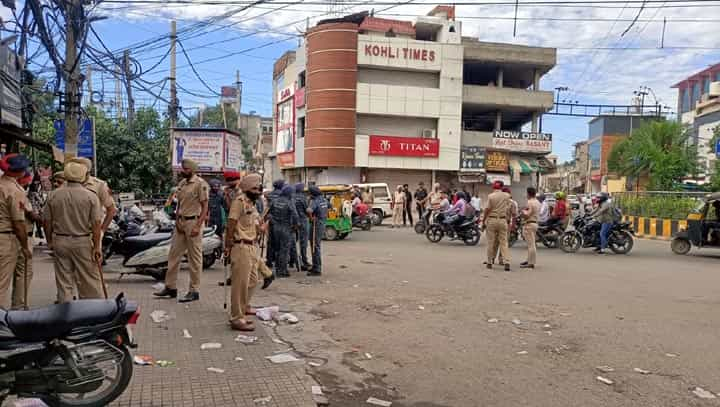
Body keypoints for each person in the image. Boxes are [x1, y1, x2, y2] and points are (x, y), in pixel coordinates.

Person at [44, 161, 104, 302]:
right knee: (89, 280)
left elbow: (46, 222)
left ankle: (66, 313)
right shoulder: (90, 196)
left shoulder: (53, 195)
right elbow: (96, 224)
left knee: (64, 281)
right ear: (83, 176)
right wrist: (97, 246)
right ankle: (91, 311)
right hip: (82, 241)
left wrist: (49, 241)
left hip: (60, 240)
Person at [154, 159, 209, 303]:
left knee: (194, 258)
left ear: (191, 169)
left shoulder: (200, 184)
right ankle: (170, 287)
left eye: (185, 169)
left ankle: (194, 290)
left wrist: (198, 226)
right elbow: (178, 204)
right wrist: (177, 219)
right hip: (181, 223)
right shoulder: (182, 184)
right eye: (182, 168)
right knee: (173, 255)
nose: (182, 171)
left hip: (193, 222)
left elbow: (205, 208)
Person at [224, 173, 264, 332]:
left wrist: (261, 229)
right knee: (240, 285)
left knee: (253, 280)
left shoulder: (251, 203)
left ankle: (244, 307)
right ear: (247, 188)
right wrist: (228, 244)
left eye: (258, 187)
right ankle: (236, 318)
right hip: (240, 246)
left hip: (251, 246)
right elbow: (231, 222)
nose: (258, 191)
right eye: (255, 188)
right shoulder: (239, 202)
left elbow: (251, 224)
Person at [0, 155, 32, 309]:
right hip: (6, 238)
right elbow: (18, 223)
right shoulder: (14, 190)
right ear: (20, 172)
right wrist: (25, 247)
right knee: (2, 283)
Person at [66, 157, 117, 233]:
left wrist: (102, 231)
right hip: (69, 232)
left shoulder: (100, 185)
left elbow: (111, 210)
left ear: (88, 172)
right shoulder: (66, 184)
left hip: (91, 232)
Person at [12, 171, 37, 309]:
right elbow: (29, 215)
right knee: (24, 272)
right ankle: (19, 305)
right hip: (20, 236)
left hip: (9, 236)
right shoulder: (19, 192)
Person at [267, 185, 297, 278]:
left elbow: (269, 213)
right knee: (284, 249)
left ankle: (277, 268)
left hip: (276, 228)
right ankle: (282, 271)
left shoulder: (275, 200)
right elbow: (295, 215)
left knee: (277, 248)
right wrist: (295, 226)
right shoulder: (289, 202)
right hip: (286, 227)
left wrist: (274, 222)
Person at [482, 180, 511, 272]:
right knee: (504, 242)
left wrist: (483, 220)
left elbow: (487, 209)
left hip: (492, 220)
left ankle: (490, 262)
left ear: (493, 187)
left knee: (491, 242)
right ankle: (506, 261)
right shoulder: (507, 196)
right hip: (502, 220)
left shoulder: (490, 196)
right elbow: (508, 208)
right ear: (502, 187)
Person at [307, 186, 328, 276]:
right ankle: (316, 266)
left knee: (315, 246)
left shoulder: (315, 201)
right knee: (316, 245)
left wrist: (311, 218)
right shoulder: (324, 200)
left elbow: (309, 210)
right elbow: (329, 206)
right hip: (322, 223)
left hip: (316, 224)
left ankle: (317, 268)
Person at [289, 183, 311, 271]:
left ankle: (292, 260)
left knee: (293, 242)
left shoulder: (292, 197)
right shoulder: (303, 198)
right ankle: (304, 261)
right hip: (303, 221)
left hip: (293, 222)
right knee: (303, 243)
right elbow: (307, 210)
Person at [265, 179, 285, 269]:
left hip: (271, 220)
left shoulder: (269, 195)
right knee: (280, 243)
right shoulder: (283, 195)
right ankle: (278, 263)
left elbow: (267, 208)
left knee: (270, 242)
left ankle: (269, 261)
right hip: (281, 221)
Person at [520, 187, 541, 269]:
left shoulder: (530, 202)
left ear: (528, 193)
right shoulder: (537, 202)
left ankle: (531, 263)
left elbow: (527, 215)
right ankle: (529, 260)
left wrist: (522, 212)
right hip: (535, 223)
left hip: (529, 224)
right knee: (531, 244)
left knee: (531, 245)